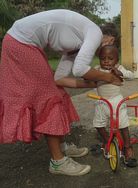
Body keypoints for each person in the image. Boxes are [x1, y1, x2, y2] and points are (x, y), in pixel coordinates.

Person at [0, 9, 122, 176]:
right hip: (21, 43)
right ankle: (58, 162)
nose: (106, 56)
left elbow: (59, 79)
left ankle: (61, 146)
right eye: (110, 49)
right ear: (111, 39)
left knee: (56, 91)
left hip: (22, 42)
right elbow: (80, 70)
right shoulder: (94, 33)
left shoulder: (79, 40)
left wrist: (94, 82)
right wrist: (108, 78)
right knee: (50, 98)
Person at [91, 45, 138, 167]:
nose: (106, 61)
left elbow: (132, 76)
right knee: (98, 124)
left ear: (116, 60)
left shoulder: (118, 68)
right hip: (101, 102)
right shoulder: (96, 69)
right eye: (103, 58)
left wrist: (120, 72)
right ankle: (108, 140)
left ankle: (128, 148)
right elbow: (86, 76)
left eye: (110, 58)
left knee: (123, 125)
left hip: (116, 101)